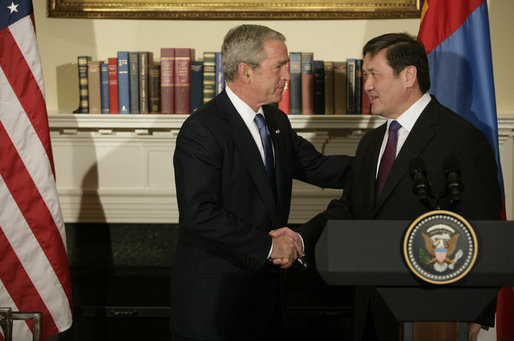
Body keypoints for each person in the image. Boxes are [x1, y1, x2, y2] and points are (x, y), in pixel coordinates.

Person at [290, 33, 502, 341]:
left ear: (409, 76)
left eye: (374, 74)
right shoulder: (371, 143)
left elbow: (484, 228)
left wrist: (477, 310)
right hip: (371, 312)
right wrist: (299, 236)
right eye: (365, 76)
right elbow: (349, 210)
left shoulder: (460, 139)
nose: (367, 86)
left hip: (433, 311)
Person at [170, 24, 352, 340]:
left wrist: (384, 163)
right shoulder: (203, 129)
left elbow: (319, 168)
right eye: (279, 66)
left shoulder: (276, 121)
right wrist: (269, 246)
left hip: (267, 298)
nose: (287, 75)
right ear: (246, 71)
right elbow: (199, 212)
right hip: (216, 304)